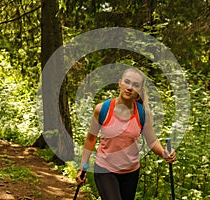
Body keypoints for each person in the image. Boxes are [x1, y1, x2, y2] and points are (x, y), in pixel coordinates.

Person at [75, 68, 176, 200]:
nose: (129, 87)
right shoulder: (102, 109)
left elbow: (152, 141)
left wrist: (164, 153)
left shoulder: (142, 113)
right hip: (105, 169)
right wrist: (84, 166)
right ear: (120, 83)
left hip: (131, 172)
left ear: (139, 90)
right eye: (127, 82)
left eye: (135, 85)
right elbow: (90, 139)